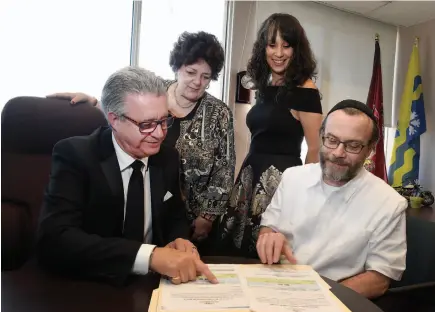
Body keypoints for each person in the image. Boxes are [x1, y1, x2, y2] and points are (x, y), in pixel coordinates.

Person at [47, 31, 235, 247]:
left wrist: (207, 217)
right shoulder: (153, 92)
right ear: (177, 67)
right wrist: (93, 102)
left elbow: (224, 169)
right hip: (143, 205)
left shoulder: (217, 114)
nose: (197, 82)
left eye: (206, 77)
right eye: (191, 72)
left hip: (186, 215)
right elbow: (123, 109)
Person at [38, 66, 218, 286]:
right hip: (93, 286)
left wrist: (178, 240)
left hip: (154, 287)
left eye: (164, 121)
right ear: (114, 120)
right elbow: (56, 240)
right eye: (147, 125)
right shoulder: (76, 156)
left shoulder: (167, 157)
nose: (160, 134)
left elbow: (174, 217)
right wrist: (149, 256)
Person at [256, 99, 408, 299]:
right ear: (322, 137)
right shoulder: (292, 177)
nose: (338, 153)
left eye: (353, 145)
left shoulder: (389, 203)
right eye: (332, 140)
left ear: (370, 149)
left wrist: (318, 297)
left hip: (338, 298)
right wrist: (268, 237)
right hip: (277, 287)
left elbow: (379, 278)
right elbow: (269, 227)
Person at [214, 13, 323, 257]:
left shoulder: (305, 90)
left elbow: (315, 148)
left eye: (286, 46)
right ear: (263, 47)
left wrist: (304, 197)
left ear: (297, 50)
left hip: (281, 182)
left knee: (264, 254)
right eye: (272, 45)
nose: (279, 53)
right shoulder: (266, 85)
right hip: (249, 175)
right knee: (231, 254)